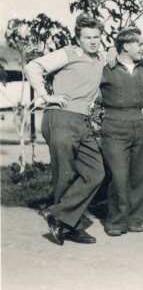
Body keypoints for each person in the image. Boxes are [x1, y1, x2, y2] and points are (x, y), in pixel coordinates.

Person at [24, 14, 106, 245]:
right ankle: (72, 226)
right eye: (87, 37)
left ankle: (59, 216)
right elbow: (33, 66)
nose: (92, 41)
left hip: (82, 121)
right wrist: (45, 96)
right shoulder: (67, 53)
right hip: (60, 117)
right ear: (78, 39)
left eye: (96, 37)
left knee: (95, 173)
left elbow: (128, 53)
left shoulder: (100, 56)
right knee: (65, 175)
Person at [100, 27, 143, 236]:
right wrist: (111, 49)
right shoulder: (105, 65)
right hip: (114, 124)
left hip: (138, 122)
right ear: (127, 45)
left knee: (140, 175)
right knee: (119, 176)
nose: (142, 47)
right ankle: (116, 222)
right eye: (139, 44)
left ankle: (135, 219)